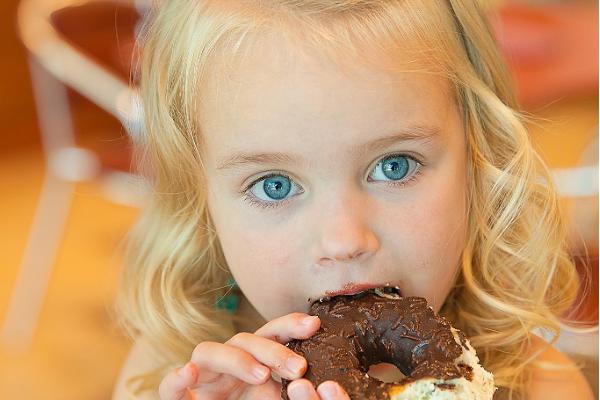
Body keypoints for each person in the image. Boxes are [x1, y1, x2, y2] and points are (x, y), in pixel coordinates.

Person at [110, 1, 595, 399]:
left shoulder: (542, 384)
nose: (344, 240)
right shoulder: (170, 370)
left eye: (394, 166)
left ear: (478, 159)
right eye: (274, 185)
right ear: (202, 201)